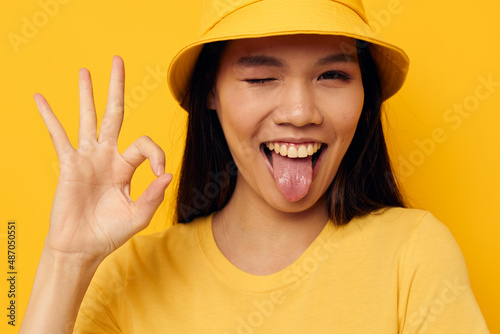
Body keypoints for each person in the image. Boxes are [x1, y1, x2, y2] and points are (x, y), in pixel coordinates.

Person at [21, 0, 489, 333]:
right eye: (261, 77)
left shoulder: (414, 255)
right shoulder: (130, 276)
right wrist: (66, 260)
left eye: (333, 75)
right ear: (211, 91)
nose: (301, 111)